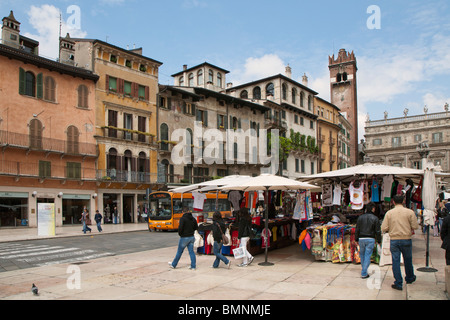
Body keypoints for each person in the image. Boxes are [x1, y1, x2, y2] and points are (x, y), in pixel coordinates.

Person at [381, 194, 419, 290]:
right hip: (406, 239)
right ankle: (410, 278)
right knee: (408, 260)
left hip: (394, 240)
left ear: (393, 201)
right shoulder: (409, 212)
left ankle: (398, 283)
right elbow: (415, 226)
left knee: (395, 261)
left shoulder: (389, 213)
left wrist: (391, 227)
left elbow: (383, 228)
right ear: (403, 201)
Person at [355, 202, 382, 279]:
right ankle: (364, 272)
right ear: (373, 209)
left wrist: (356, 239)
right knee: (367, 255)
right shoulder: (375, 218)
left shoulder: (360, 217)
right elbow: (378, 231)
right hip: (370, 238)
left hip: (361, 238)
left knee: (362, 255)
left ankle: (364, 270)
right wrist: (379, 241)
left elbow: (357, 229)